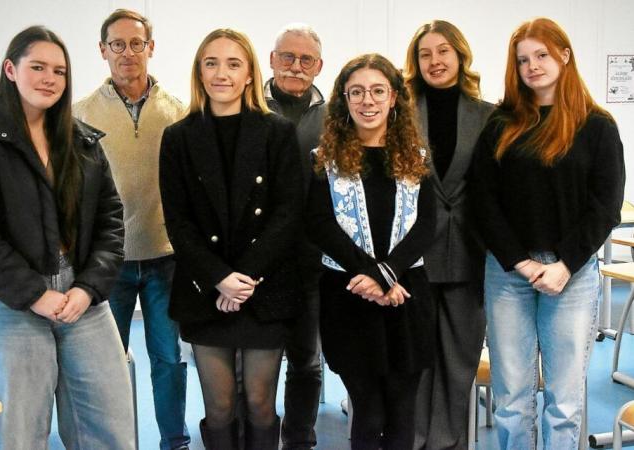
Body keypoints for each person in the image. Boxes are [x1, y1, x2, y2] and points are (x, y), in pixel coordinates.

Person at [0, 26, 133, 449]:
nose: (50, 79)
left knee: (111, 427)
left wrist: (88, 288)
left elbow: (111, 221)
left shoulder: (82, 141)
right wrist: (34, 293)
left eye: (59, 71)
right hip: (10, 301)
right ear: (11, 69)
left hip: (82, 297)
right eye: (38, 67)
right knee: (24, 432)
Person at [471, 17, 625, 450]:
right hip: (508, 275)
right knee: (512, 398)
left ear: (564, 55)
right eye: (523, 60)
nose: (532, 66)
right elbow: (484, 202)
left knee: (564, 399)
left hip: (572, 276)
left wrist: (566, 264)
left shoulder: (597, 126)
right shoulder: (501, 124)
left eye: (541, 55)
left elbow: (605, 206)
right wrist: (519, 261)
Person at [159, 28, 302, 450]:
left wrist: (244, 279)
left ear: (249, 74)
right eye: (211, 63)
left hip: (265, 288)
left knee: (260, 403)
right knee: (219, 407)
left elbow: (287, 214)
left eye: (233, 63)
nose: (222, 73)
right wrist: (220, 277)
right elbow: (178, 222)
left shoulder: (277, 132)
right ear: (199, 73)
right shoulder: (178, 138)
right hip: (205, 289)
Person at [307, 53, 437, 450]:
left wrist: (386, 275)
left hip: (406, 296)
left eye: (378, 90)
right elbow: (320, 225)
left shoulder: (415, 158)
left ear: (394, 97)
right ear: (344, 100)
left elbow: (425, 226)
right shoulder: (325, 160)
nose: (368, 100)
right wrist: (373, 277)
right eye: (357, 92)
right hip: (349, 294)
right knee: (368, 411)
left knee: (401, 410)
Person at [73, 10, 189, 450]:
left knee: (168, 359)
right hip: (108, 264)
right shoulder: (80, 115)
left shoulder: (178, 112)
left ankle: (174, 440)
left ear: (151, 49)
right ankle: (114, 441)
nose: (127, 53)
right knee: (105, 365)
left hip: (165, 259)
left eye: (136, 44)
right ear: (102, 51)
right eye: (117, 45)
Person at [403, 20, 494, 450]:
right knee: (417, 356)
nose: (435, 61)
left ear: (460, 55)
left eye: (443, 51)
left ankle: (449, 441)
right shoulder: (400, 111)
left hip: (468, 254)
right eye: (425, 54)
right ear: (416, 62)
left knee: (459, 359)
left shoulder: (488, 115)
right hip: (413, 256)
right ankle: (417, 438)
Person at [265, 23, 325, 450]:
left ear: (319, 66)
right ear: (271, 60)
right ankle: (258, 433)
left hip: (312, 256)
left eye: (306, 60)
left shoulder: (334, 113)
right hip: (257, 255)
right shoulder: (248, 103)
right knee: (255, 359)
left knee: (306, 357)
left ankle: (299, 437)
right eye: (287, 57)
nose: (295, 66)